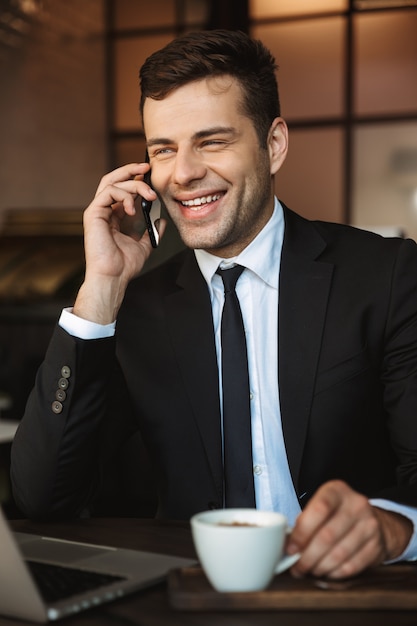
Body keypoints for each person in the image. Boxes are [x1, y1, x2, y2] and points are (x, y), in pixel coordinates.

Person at [10, 29, 417, 581]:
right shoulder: (137, 306)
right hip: (189, 598)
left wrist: (392, 526)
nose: (183, 173)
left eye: (212, 141)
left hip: (347, 592)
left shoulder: (386, 276)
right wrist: (100, 288)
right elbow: (42, 495)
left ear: (273, 145)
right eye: (163, 149)